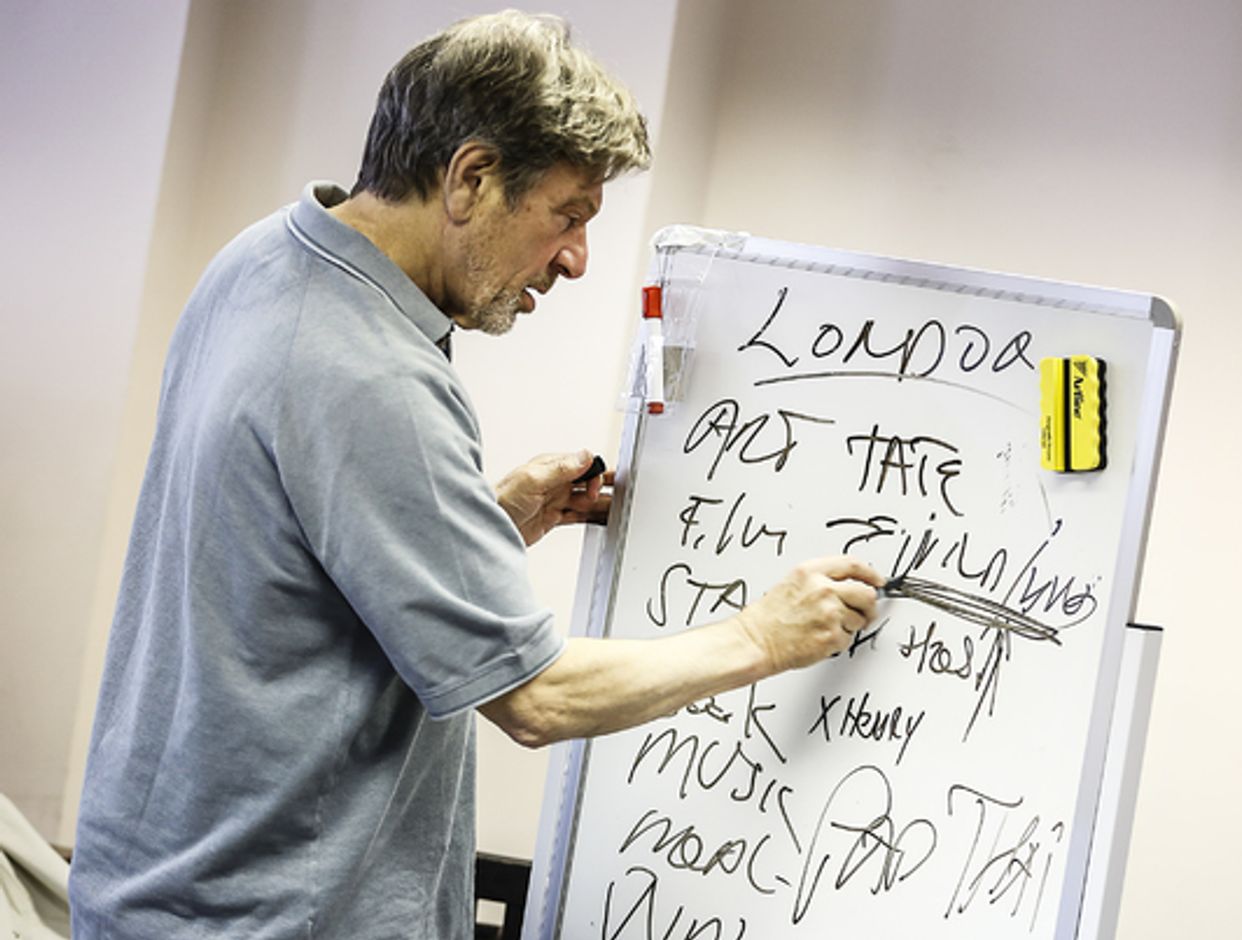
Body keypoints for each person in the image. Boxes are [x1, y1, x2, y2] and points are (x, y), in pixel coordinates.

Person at [69, 11, 882, 939]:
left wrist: (485, 520)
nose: (577, 259)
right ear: (472, 178)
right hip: (272, 915)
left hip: (154, 892)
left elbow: (282, 556)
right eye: (568, 216)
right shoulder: (372, 375)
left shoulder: (262, 262)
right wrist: (762, 637)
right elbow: (536, 698)